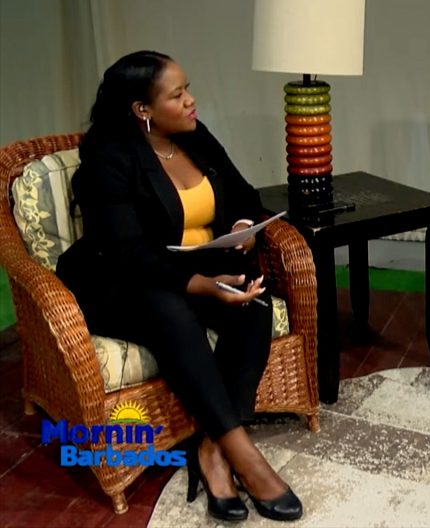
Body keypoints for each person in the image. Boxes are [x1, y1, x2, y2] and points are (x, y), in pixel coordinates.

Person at [56, 51, 302, 522]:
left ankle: (210, 450)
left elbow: (244, 193)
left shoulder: (194, 135)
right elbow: (127, 251)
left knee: (253, 302)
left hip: (197, 265)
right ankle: (245, 456)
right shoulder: (108, 156)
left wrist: (244, 225)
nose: (190, 100)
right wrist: (201, 285)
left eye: (187, 88)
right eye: (177, 94)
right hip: (121, 279)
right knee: (172, 314)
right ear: (142, 109)